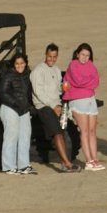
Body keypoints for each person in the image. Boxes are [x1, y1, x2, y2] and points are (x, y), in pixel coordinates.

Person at [31, 43, 81, 173]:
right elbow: (39, 93)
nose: (52, 59)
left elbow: (57, 89)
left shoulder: (56, 70)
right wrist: (54, 106)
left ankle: (65, 163)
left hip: (57, 105)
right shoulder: (38, 71)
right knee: (57, 133)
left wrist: (63, 87)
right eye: (50, 56)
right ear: (45, 55)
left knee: (62, 132)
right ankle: (67, 164)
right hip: (44, 106)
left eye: (54, 57)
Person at [63, 43, 103, 171]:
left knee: (92, 131)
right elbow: (78, 80)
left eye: (87, 55)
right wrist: (88, 82)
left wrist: (85, 83)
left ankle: (94, 159)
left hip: (90, 100)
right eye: (83, 54)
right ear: (77, 54)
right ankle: (89, 161)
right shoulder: (73, 65)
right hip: (78, 101)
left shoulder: (91, 65)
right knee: (84, 131)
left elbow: (96, 81)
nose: (85, 58)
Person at [0, 53, 36, 175]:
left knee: (25, 136)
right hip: (10, 108)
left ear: (25, 63)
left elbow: (28, 94)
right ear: (13, 64)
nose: (20, 65)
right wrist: (16, 104)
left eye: (22, 63)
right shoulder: (8, 75)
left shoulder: (27, 75)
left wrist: (29, 106)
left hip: (23, 109)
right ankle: (8, 166)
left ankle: (23, 165)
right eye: (17, 63)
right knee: (11, 136)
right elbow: (3, 93)